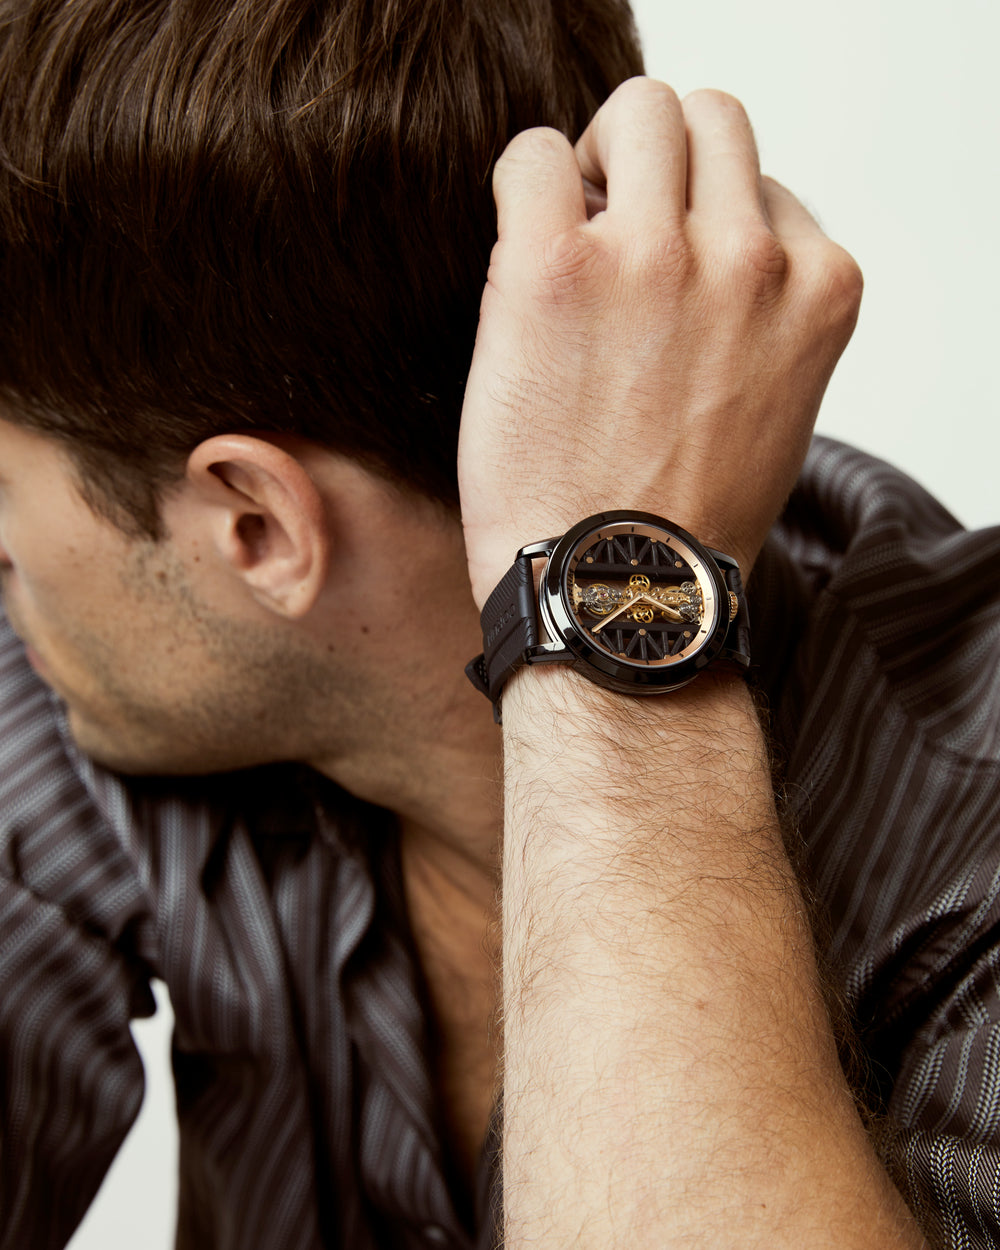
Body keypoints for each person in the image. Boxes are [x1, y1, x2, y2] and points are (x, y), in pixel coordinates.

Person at [0, 1, 998, 1248]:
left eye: (5, 486)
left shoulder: (970, 816)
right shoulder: (110, 675)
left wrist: (608, 613)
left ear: (254, 525)